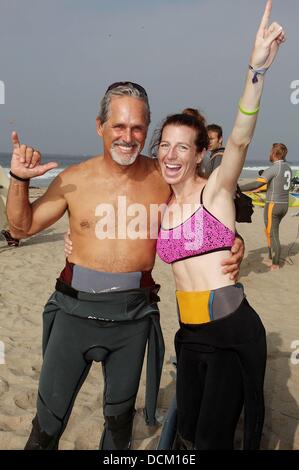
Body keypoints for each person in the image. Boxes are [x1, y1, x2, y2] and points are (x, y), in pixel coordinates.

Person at [6, 81, 244, 450]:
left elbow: (206, 206)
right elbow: (21, 228)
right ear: (100, 126)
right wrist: (19, 178)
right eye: (118, 126)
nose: (128, 137)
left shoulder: (163, 177)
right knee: (47, 421)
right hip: (73, 312)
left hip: (133, 317)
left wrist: (233, 240)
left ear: (146, 129)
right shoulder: (73, 180)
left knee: (119, 426)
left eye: (137, 128)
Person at [153, 0, 283, 449]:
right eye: (164, 146)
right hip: (189, 335)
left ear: (199, 154)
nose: (171, 155)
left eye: (182, 147)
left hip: (231, 331)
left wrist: (257, 69)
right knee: (188, 433)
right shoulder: (162, 206)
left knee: (212, 440)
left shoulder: (216, 191)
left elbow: (242, 136)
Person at [240, 143, 291, 270]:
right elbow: (275, 184)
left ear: (275, 153)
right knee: (272, 231)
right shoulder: (288, 168)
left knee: (272, 233)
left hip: (273, 205)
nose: (269, 154)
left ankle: (275, 262)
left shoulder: (274, 168)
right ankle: (272, 257)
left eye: (270, 151)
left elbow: (257, 184)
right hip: (284, 205)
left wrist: (238, 188)